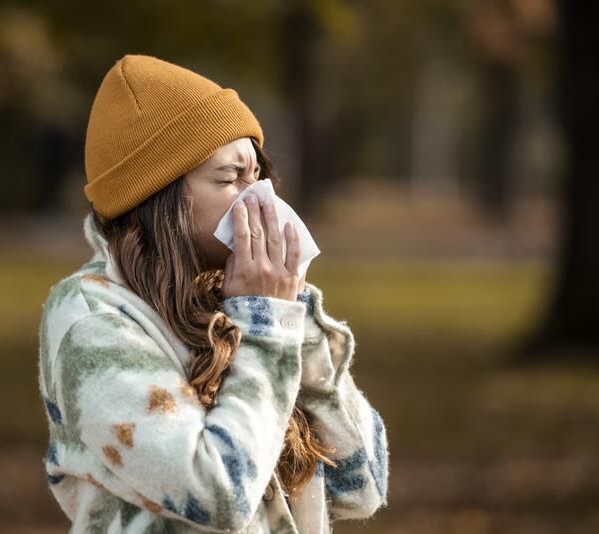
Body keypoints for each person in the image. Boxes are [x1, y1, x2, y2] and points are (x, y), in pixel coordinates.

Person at [38, 53, 389, 533]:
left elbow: (360, 487)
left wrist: (294, 321)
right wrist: (266, 324)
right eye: (229, 178)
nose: (260, 200)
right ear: (157, 197)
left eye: (258, 176)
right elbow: (217, 493)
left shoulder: (240, 300)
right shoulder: (92, 319)